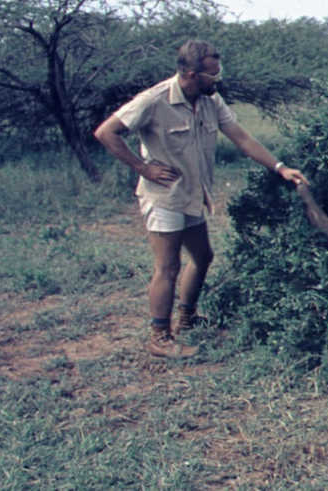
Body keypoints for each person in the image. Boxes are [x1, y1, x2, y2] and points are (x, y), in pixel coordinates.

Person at [94, 40, 308, 358]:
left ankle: (187, 318)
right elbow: (105, 132)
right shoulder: (153, 100)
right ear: (192, 74)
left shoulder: (211, 100)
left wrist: (280, 168)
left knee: (203, 257)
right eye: (212, 75)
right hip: (164, 196)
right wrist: (142, 168)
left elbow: (242, 137)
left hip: (194, 195)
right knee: (168, 266)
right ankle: (159, 337)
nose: (217, 80)